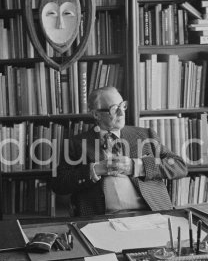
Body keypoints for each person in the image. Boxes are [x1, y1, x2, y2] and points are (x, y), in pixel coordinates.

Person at [52, 86, 188, 216]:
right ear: (96, 114)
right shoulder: (76, 143)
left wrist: (137, 166)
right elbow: (59, 184)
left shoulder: (146, 135)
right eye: (114, 109)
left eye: (123, 106)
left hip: (150, 212)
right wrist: (95, 169)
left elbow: (179, 166)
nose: (122, 113)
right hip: (100, 217)